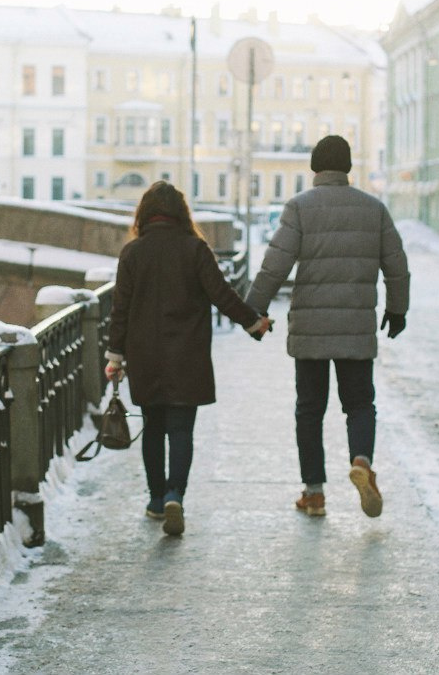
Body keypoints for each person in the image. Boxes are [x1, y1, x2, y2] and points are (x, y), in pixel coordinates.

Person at [245, 135, 409, 519]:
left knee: (309, 409)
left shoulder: (300, 207)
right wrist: (397, 311)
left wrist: (253, 310)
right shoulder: (374, 209)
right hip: (355, 325)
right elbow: (397, 267)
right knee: (360, 404)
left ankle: (314, 493)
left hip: (311, 329)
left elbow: (276, 264)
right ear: (348, 167)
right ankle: (362, 463)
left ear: (315, 168)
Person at [104, 181, 272, 536]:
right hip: (187, 356)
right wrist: (253, 322)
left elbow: (121, 309)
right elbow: (222, 295)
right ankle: (174, 494)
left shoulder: (132, 253)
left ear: (145, 214)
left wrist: (115, 356)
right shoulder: (195, 249)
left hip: (145, 355)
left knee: (153, 428)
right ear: (181, 213)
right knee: (181, 430)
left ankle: (154, 499)